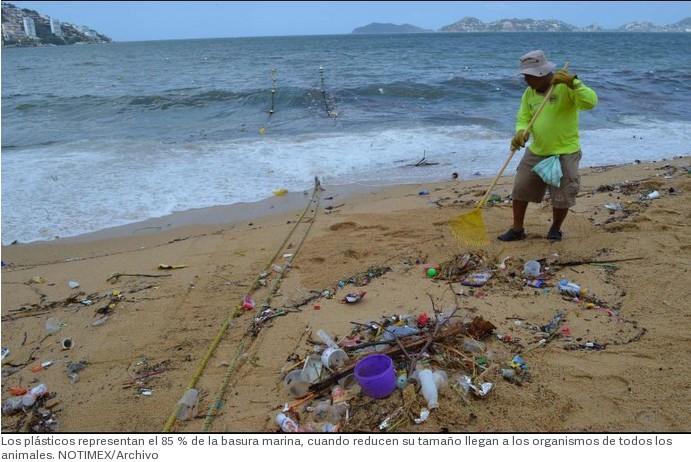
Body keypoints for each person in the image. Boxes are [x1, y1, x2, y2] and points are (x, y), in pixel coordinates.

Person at [498, 50, 598, 242]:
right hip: (537, 151)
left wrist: (574, 82)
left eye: (529, 76)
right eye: (525, 76)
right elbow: (523, 118)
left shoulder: (566, 88)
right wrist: (521, 132)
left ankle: (555, 229)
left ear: (542, 74)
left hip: (565, 152)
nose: (526, 80)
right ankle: (517, 229)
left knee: (562, 196)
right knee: (520, 188)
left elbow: (591, 102)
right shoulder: (529, 93)